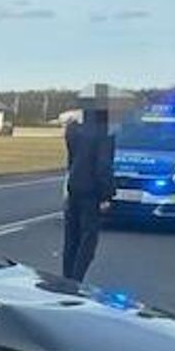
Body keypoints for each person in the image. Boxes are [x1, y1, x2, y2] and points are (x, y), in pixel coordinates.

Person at [62, 85, 115, 281]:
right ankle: (76, 281)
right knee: (88, 240)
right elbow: (103, 166)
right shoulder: (105, 132)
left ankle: (67, 278)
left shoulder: (73, 129)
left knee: (71, 239)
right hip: (91, 191)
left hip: (74, 185)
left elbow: (71, 159)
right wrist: (107, 194)